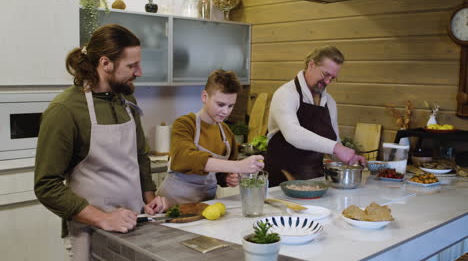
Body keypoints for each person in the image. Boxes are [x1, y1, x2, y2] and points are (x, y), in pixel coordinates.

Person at [34, 24, 169, 261]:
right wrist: (103, 218)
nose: (140, 71)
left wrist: (150, 199)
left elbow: (139, 156)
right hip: (90, 233)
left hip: (136, 225)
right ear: (106, 63)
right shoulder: (64, 110)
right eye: (132, 65)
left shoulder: (126, 99)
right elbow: (47, 185)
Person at [157, 69, 264, 205]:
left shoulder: (226, 132)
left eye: (231, 106)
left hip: (205, 207)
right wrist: (237, 166)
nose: (225, 111)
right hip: (171, 205)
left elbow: (220, 174)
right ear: (204, 97)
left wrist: (228, 178)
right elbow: (186, 158)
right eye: (220, 104)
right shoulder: (185, 124)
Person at [265, 46, 366, 187]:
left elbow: (332, 141)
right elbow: (293, 134)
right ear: (311, 64)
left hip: (313, 179)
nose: (327, 82)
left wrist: (348, 158)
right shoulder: (286, 94)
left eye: (332, 78)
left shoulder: (329, 102)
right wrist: (337, 148)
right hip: (281, 177)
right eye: (325, 74)